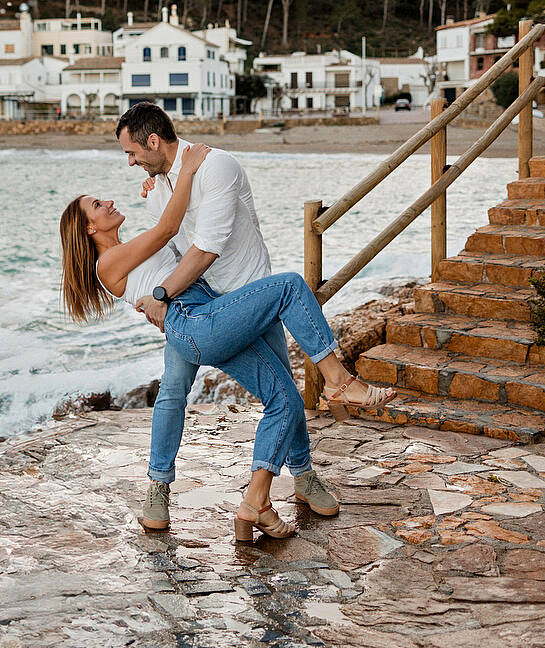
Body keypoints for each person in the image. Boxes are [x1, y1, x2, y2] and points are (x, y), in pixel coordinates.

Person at [59, 146, 397, 542]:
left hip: (207, 310)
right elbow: (167, 230)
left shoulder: (130, 244)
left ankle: (263, 500)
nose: (109, 201)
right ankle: (338, 381)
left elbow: (175, 234)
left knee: (285, 395)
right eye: (98, 205)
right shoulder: (106, 264)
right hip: (190, 320)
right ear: (88, 228)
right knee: (284, 291)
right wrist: (185, 170)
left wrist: (161, 191)